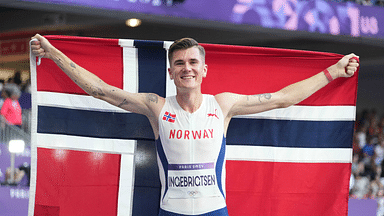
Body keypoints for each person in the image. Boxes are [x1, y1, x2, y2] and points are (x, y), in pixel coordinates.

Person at [31, 34, 359, 216]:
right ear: (171, 73)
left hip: (214, 211)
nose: (186, 68)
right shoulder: (156, 107)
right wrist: (52, 53)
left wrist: (333, 72)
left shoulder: (224, 104)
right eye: (179, 64)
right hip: (170, 212)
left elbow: (283, 98)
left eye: (192, 62)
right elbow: (100, 90)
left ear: (204, 70)